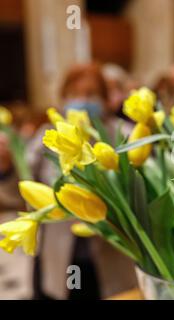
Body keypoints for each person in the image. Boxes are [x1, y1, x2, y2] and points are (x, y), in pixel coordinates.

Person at [0, 63, 137, 299]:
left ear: (105, 100)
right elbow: (21, 190)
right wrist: (7, 168)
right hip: (59, 255)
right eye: (74, 94)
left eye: (91, 94)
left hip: (111, 258)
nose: (82, 101)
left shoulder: (123, 135)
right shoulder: (50, 137)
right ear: (63, 99)